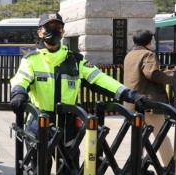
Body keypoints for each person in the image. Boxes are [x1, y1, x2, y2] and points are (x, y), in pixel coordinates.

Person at [9, 11, 148, 139]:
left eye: (57, 27)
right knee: (38, 165)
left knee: (69, 164)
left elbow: (101, 79)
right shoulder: (31, 59)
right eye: (48, 27)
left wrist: (130, 95)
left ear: (62, 31)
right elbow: (21, 79)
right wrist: (18, 93)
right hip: (39, 121)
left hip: (68, 124)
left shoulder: (76, 60)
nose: (53, 30)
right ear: (40, 33)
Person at [123, 29, 174, 171]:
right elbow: (151, 73)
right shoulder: (148, 54)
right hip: (148, 102)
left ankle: (137, 167)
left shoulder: (129, 55)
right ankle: (170, 166)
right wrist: (168, 76)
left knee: (138, 137)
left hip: (132, 103)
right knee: (161, 135)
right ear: (149, 42)